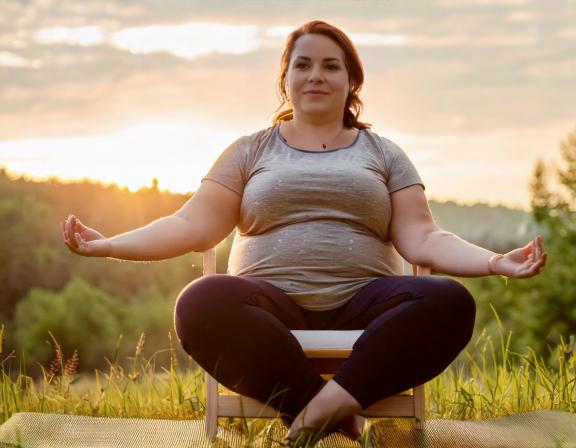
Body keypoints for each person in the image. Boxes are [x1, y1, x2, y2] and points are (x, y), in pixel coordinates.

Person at [61, 20, 548, 447]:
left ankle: (312, 419)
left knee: (450, 301)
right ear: (285, 79)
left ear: (352, 80)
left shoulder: (384, 154)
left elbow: (424, 238)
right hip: (269, 307)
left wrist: (495, 261)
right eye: (304, 64)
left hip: (367, 303)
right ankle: (338, 415)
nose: (316, 75)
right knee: (198, 301)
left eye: (331, 66)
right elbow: (190, 225)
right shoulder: (249, 151)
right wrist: (108, 245)